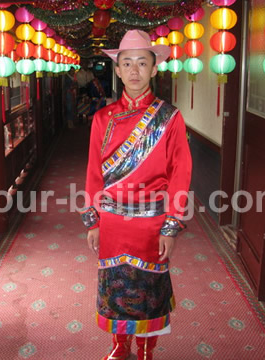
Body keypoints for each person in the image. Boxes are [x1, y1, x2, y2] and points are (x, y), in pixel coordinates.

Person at [81, 30, 192, 360]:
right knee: (115, 289)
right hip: (113, 223)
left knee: (149, 292)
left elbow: (180, 175)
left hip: (151, 223)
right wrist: (93, 221)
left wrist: (171, 226)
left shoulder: (169, 118)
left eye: (142, 63)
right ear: (117, 70)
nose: (134, 70)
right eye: (126, 63)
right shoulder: (103, 118)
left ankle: (146, 350)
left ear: (154, 69)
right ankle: (119, 346)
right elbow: (93, 173)